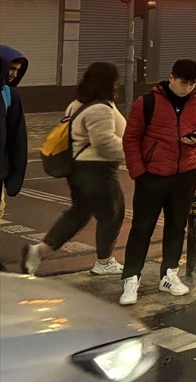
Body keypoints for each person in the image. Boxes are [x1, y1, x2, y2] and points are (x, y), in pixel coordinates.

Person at [120, 59, 196, 305]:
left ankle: (169, 274)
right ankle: (131, 278)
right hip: (152, 176)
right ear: (171, 78)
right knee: (142, 228)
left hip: (185, 175)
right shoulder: (147, 102)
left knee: (176, 226)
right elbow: (131, 139)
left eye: (192, 84)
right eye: (183, 83)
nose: (188, 88)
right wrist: (139, 172)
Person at [22, 62, 127, 276]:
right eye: (115, 80)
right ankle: (104, 262)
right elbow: (104, 142)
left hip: (79, 170)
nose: (118, 84)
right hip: (97, 170)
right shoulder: (100, 108)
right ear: (108, 82)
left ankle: (38, 251)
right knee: (113, 213)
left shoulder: (77, 104)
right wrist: (132, 150)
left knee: (79, 214)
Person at [1, 45, 29, 224]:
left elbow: (17, 139)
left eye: (17, 70)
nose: (14, 74)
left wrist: (14, 178)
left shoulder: (9, 95)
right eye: (11, 68)